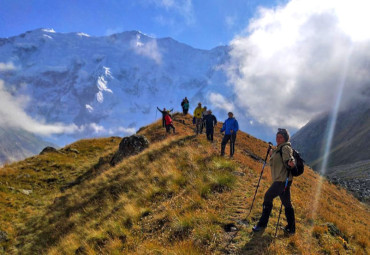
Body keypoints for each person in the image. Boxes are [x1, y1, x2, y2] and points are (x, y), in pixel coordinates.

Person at [252, 128, 296, 235]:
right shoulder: (279, 148)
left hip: (281, 180)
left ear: (285, 138)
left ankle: (262, 224)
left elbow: (288, 159)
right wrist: (272, 153)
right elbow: (278, 160)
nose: (278, 138)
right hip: (283, 180)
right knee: (287, 203)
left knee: (268, 196)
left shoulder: (285, 148)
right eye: (277, 136)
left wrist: (291, 162)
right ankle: (291, 228)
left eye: (280, 137)